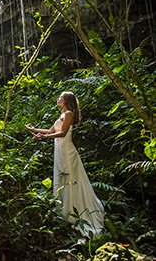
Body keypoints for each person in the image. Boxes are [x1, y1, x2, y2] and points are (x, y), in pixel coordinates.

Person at [25, 91, 104, 238]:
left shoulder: (69, 113)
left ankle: (73, 212)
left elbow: (62, 133)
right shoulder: (63, 114)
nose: (58, 98)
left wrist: (45, 136)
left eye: (60, 97)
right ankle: (64, 210)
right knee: (62, 176)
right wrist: (36, 130)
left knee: (70, 178)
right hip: (60, 151)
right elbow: (51, 130)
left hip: (67, 152)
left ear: (67, 100)